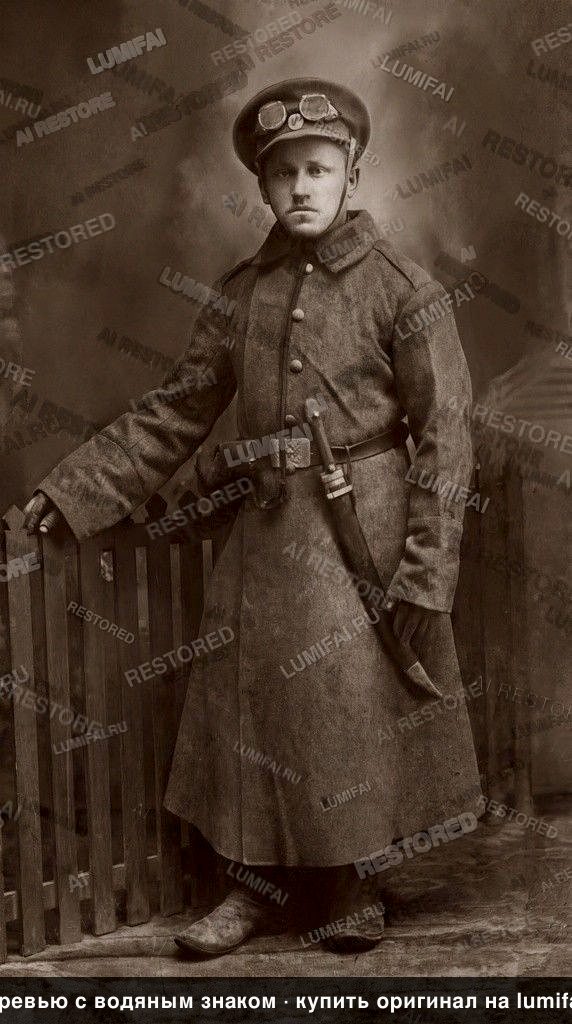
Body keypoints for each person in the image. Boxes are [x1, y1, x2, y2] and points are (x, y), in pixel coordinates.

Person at [24, 78, 482, 956]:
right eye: (284, 174)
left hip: (364, 531)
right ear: (263, 186)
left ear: (353, 173)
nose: (302, 187)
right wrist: (77, 487)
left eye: (320, 168)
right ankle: (252, 889)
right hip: (266, 532)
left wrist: (426, 572)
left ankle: (348, 883)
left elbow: (447, 438)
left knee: (344, 711)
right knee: (247, 709)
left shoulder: (403, 289)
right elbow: (177, 410)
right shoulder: (242, 292)